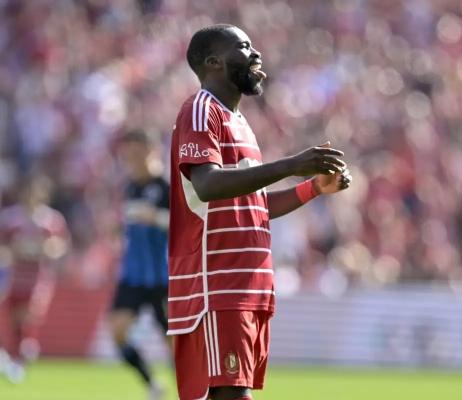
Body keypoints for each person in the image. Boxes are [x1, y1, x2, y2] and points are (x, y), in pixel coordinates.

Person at [168, 24, 352, 400]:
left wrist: (314, 187)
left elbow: (252, 207)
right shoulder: (202, 109)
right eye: (244, 46)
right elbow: (207, 184)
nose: (256, 54)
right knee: (231, 394)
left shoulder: (240, 123)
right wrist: (290, 165)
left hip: (247, 286)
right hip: (218, 284)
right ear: (214, 62)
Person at [110, 129, 171, 400]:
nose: (131, 161)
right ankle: (152, 384)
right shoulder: (130, 188)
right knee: (118, 330)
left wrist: (155, 217)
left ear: (152, 150)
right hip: (133, 275)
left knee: (174, 343)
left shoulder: (168, 187)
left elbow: (187, 225)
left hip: (164, 276)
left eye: (136, 154)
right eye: (127, 156)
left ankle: (190, 392)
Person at [0, 176, 70, 383]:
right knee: (14, 318)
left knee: (28, 315)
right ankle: (18, 354)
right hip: (13, 275)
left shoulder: (51, 219)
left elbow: (60, 246)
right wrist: (14, 250)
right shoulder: (10, 218)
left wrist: (45, 248)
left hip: (39, 276)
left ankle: (24, 351)